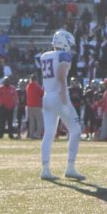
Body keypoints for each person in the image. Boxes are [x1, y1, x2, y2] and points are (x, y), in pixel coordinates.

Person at [38, 29, 85, 181]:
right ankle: (70, 168)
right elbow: (61, 77)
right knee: (76, 130)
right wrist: (65, 101)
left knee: (49, 134)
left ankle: (45, 169)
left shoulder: (45, 56)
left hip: (46, 97)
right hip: (59, 97)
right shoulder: (64, 56)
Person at [26, 74, 44, 139]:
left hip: (29, 106)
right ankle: (38, 134)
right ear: (36, 79)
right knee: (40, 120)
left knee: (32, 121)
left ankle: (31, 135)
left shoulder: (28, 86)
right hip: (36, 105)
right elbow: (42, 94)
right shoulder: (37, 86)